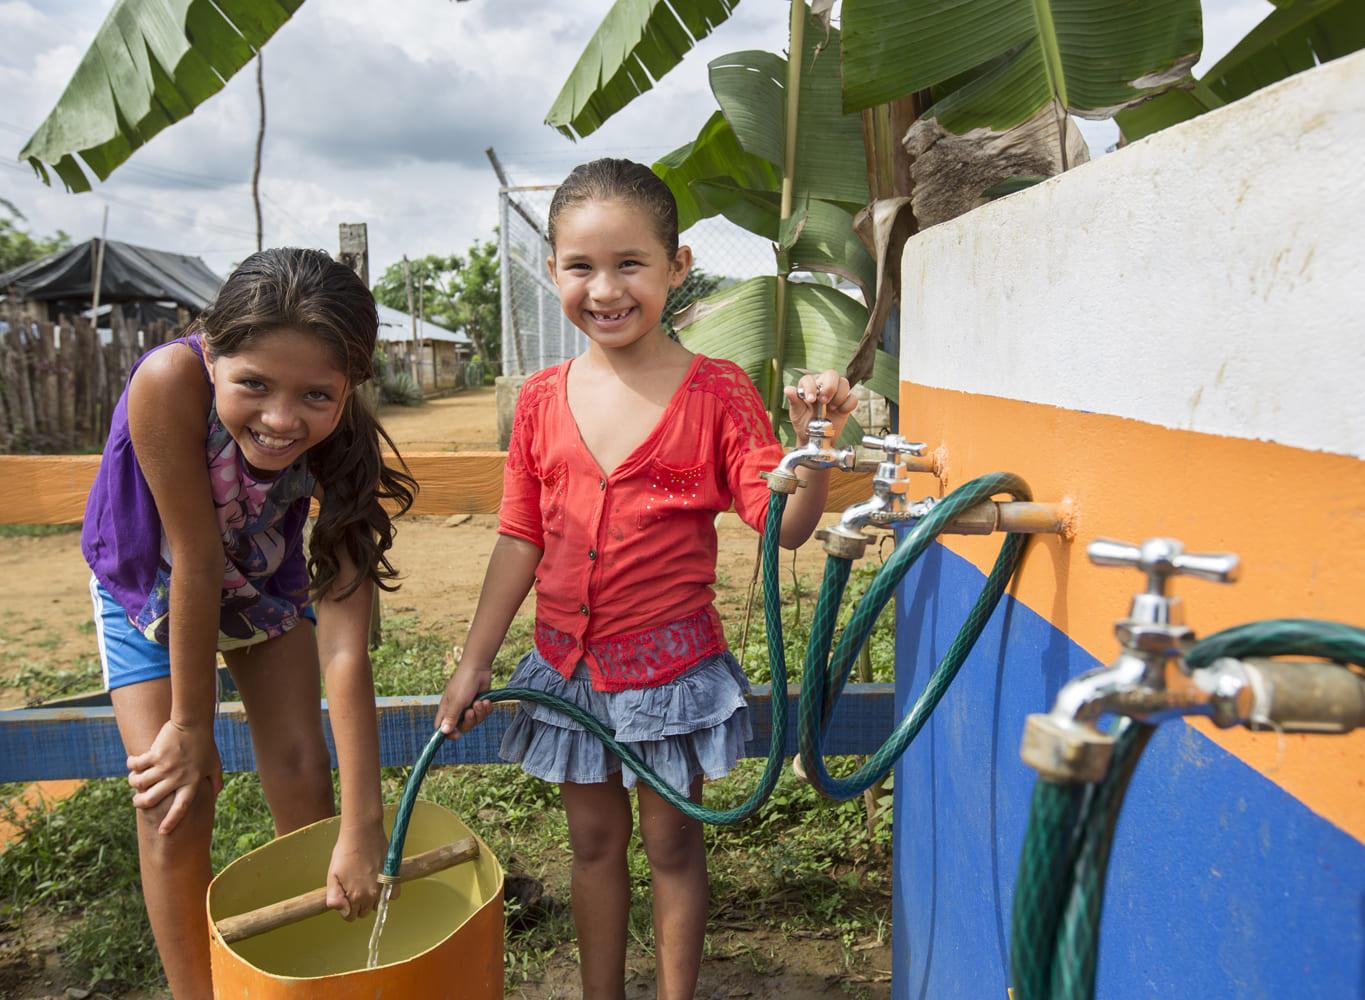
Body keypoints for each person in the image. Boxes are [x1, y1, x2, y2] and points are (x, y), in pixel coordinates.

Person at [436, 158, 857, 999]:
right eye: (581, 267)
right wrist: (475, 660)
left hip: (670, 676)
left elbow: (787, 527)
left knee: (672, 845)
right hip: (569, 672)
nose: (606, 289)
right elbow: (519, 538)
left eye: (630, 264)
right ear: (552, 269)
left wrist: (812, 450)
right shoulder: (540, 400)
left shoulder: (720, 394)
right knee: (591, 845)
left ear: (677, 267)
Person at [82, 247, 415, 996]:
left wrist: (362, 831)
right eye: (254, 385)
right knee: (176, 798)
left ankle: (309, 979)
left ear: (349, 386)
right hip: (151, 586)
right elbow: (194, 559)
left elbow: (344, 656)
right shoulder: (169, 381)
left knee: (303, 777)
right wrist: (191, 729)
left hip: (260, 586)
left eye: (315, 396)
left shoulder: (345, 444)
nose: (280, 418)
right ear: (211, 346)